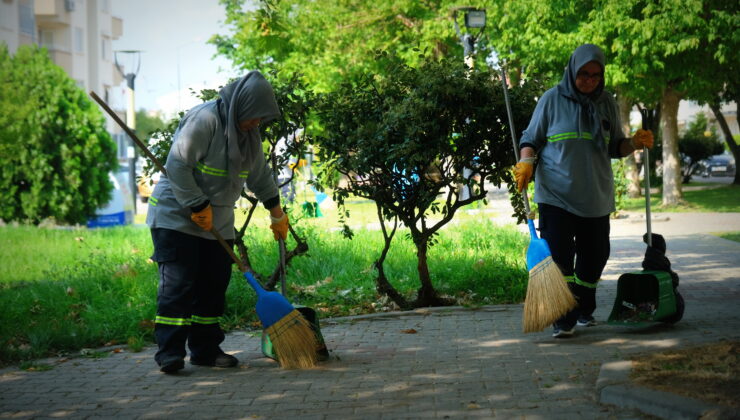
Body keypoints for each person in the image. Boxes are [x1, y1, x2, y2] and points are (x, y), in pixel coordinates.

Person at [146, 71, 290, 373]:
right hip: (177, 216)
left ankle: (205, 351)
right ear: (243, 106)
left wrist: (276, 212)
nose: (257, 123)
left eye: (261, 119)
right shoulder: (206, 120)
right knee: (178, 286)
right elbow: (178, 164)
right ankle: (170, 353)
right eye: (254, 116)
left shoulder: (248, 136)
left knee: (213, 287)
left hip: (218, 222)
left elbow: (260, 175)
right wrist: (196, 204)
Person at [513, 44, 654, 338]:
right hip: (556, 195)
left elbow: (616, 146)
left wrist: (634, 143)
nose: (589, 80)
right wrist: (526, 162)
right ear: (572, 71)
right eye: (583, 74)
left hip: (595, 195)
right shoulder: (552, 100)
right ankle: (563, 318)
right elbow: (530, 138)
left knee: (596, 256)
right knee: (561, 259)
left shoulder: (607, 103)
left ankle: (583, 308)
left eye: (595, 75)